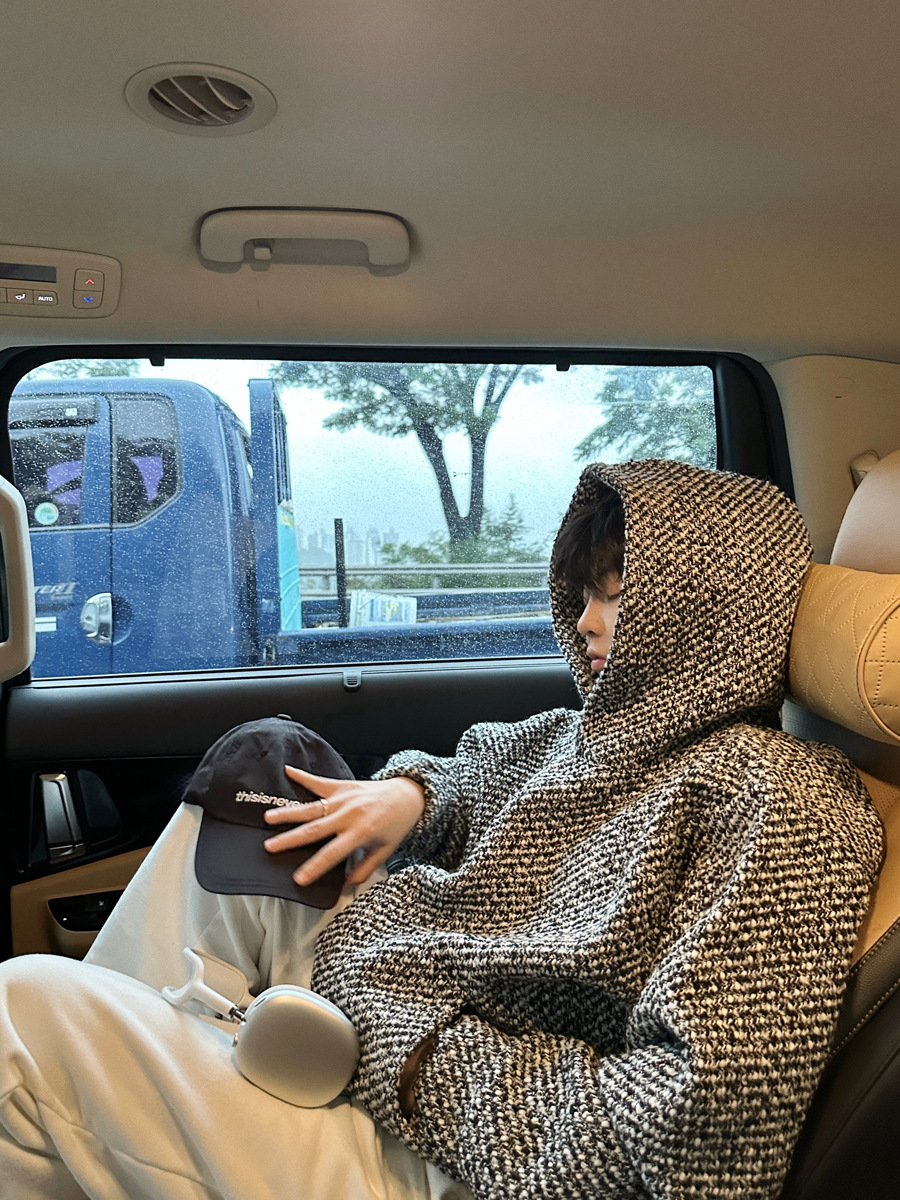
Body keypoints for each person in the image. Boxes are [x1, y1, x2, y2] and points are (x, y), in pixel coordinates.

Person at [0, 458, 883, 1200]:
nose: (584, 621)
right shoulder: (600, 733)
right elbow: (482, 767)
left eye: (618, 598)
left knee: (22, 1011)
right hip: (408, 993)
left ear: (703, 611)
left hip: (452, 1152)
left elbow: (691, 1139)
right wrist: (412, 797)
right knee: (257, 788)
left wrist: (412, 1059)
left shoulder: (782, 805)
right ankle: (139, 1096)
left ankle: (126, 1093)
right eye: (584, 593)